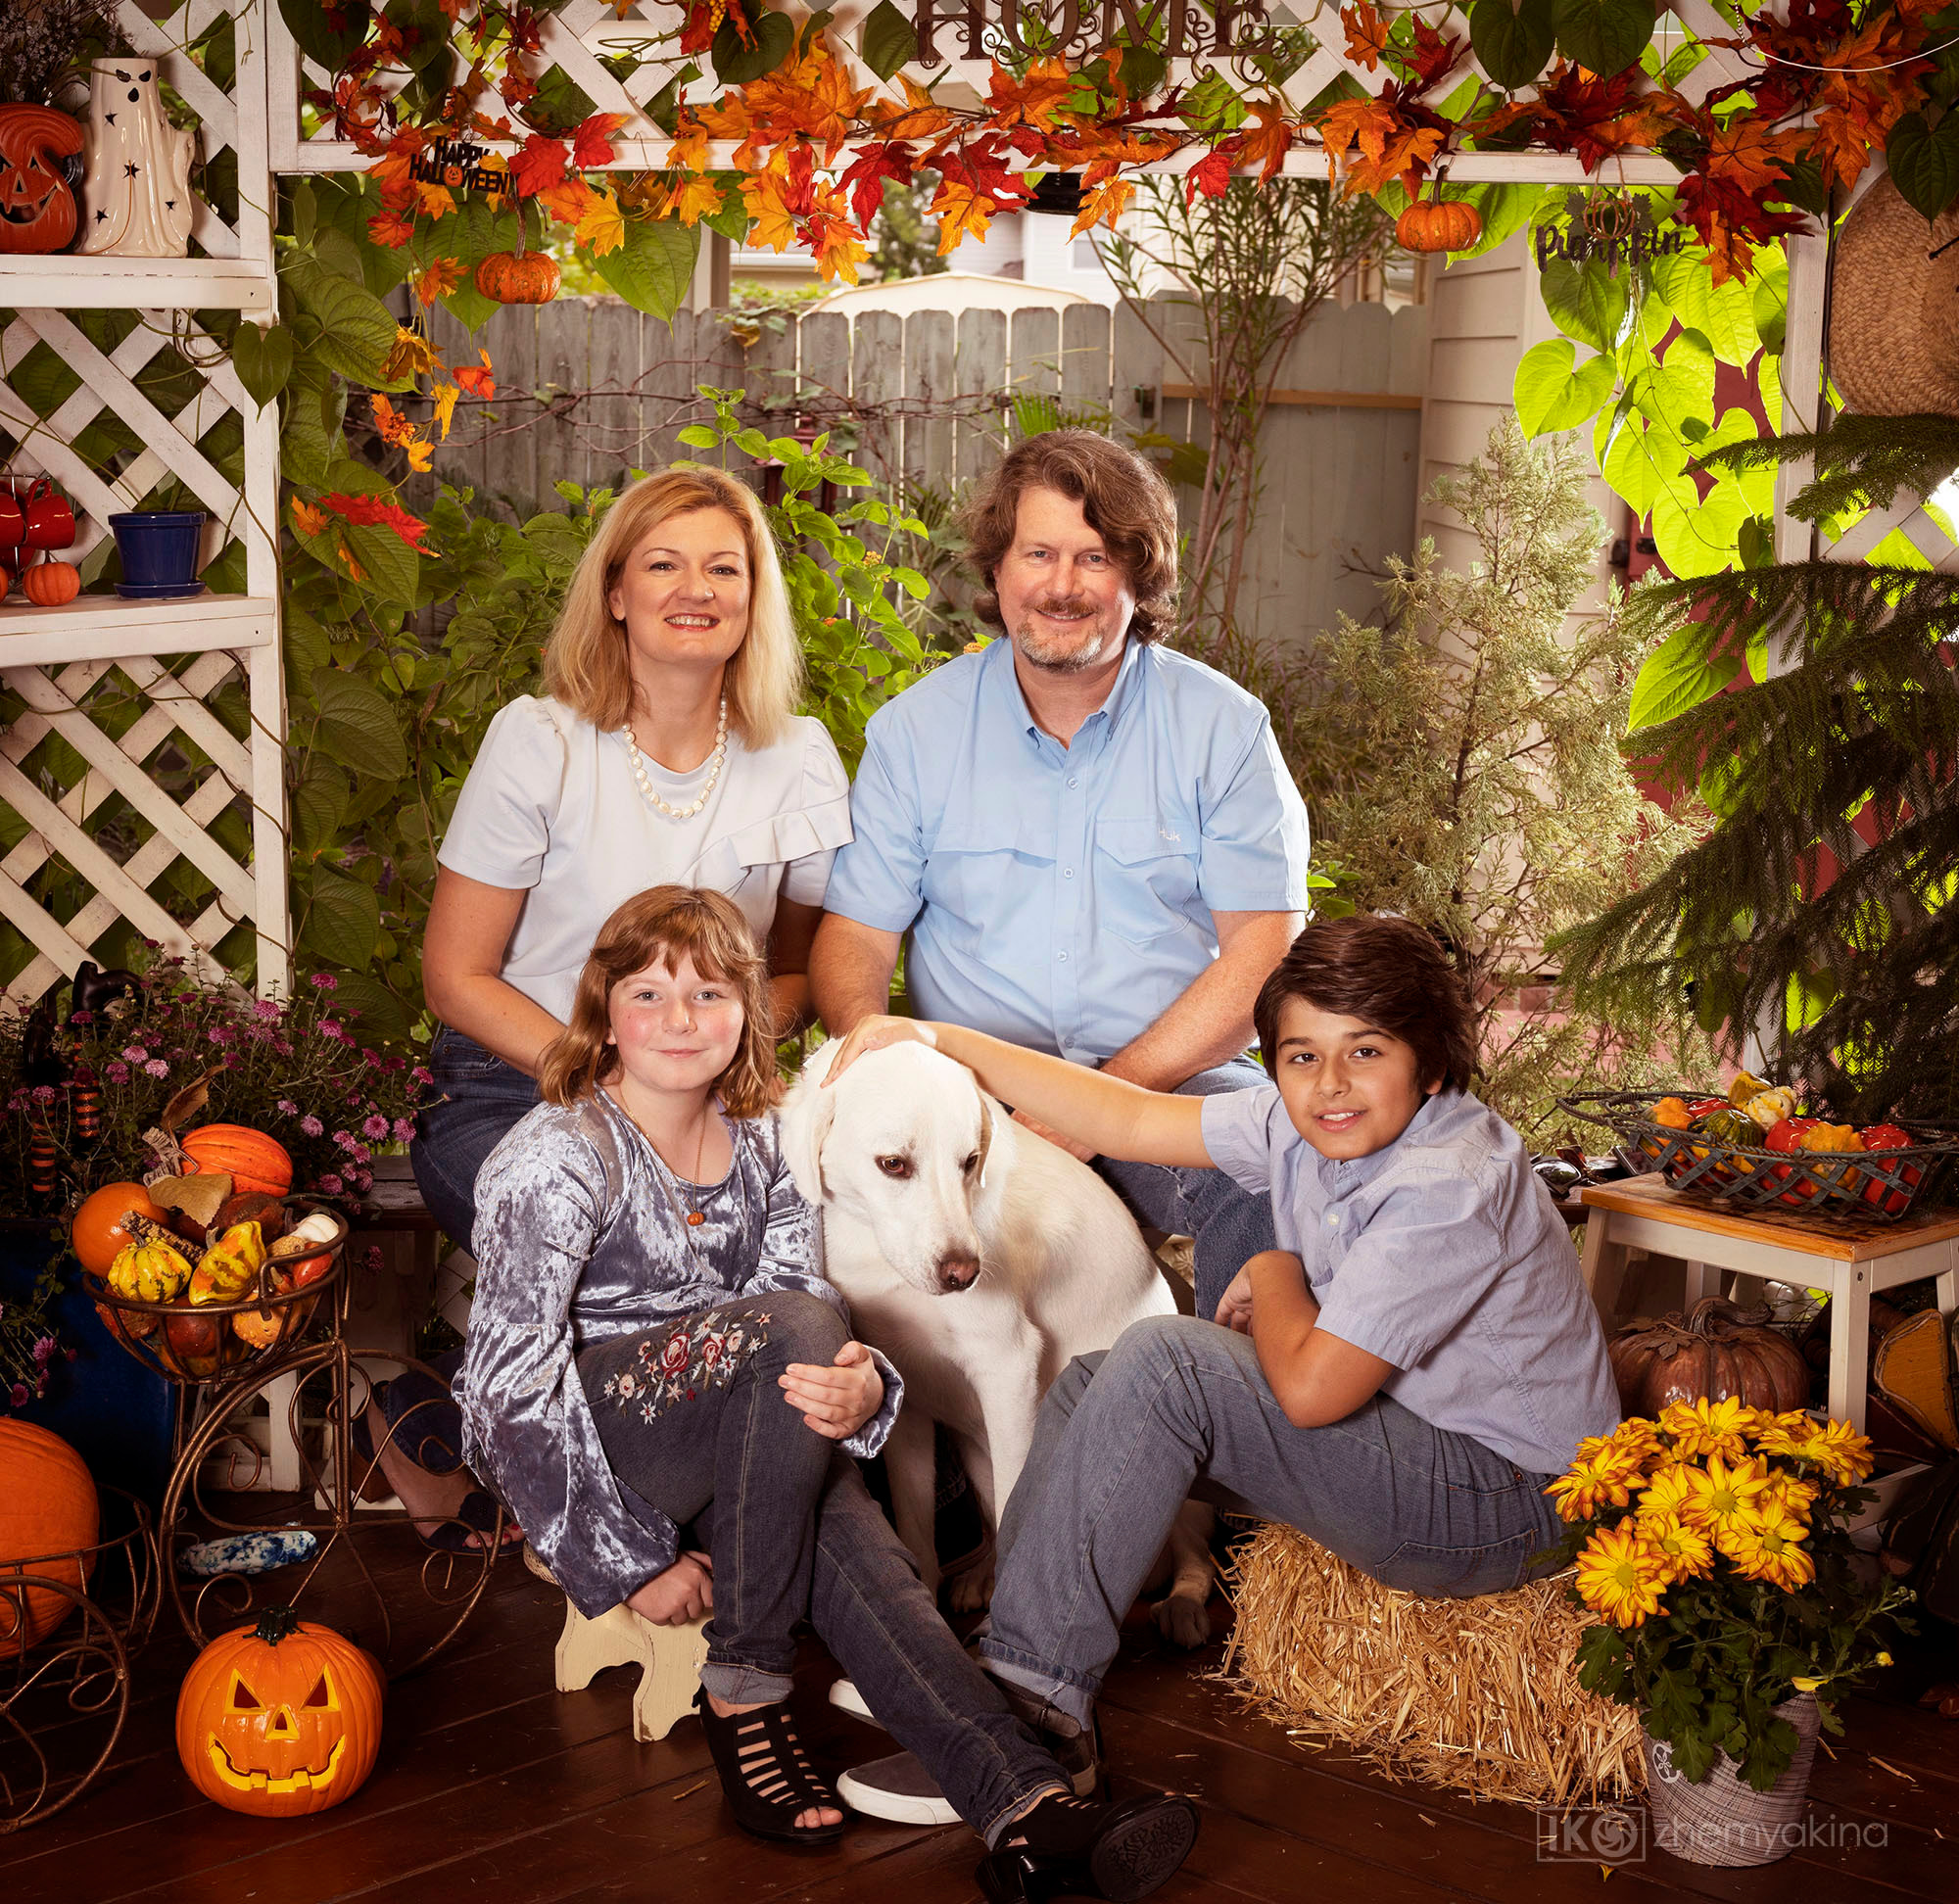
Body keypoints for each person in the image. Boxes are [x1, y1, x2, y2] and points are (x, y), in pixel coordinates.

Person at [455, 884, 1199, 1896]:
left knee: (851, 1517)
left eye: (710, 992)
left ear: (746, 1013)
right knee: (805, 1335)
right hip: (601, 1438)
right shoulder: (551, 1159)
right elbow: (503, 1388)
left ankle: (1029, 1810)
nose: (681, 1019)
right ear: (603, 1008)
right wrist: (623, 1561)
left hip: (743, 1438)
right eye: (648, 991)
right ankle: (747, 1686)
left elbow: (813, 1309)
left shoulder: (767, 1146)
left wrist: (864, 1392)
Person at [828, 913, 1619, 1786]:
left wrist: (1277, 1272)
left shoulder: (1448, 1182)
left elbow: (1314, 1393)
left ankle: (1034, 1728)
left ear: (1429, 1063)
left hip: (1508, 1503)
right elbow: (1124, 1118)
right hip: (1414, 1443)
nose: (1330, 1083)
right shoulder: (1307, 1122)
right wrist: (932, 1035)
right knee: (1093, 1381)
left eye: (1367, 1051)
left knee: (1170, 1360)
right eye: (1301, 1055)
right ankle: (1006, 1661)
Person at [383, 465, 850, 1551]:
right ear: (616, 595)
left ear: (752, 599)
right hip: (518, 1080)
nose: (696, 587)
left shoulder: (798, 757)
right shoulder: (538, 739)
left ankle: (476, 1437)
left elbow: (797, 971)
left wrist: (693, 1061)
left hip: (706, 1087)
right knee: (633, 1261)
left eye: (723, 567)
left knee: (793, 1260)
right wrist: (612, 1069)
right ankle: (613, 1527)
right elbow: (455, 975)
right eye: (664, 563)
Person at [809, 429, 1314, 1322]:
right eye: (1037, 553)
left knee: (1270, 1169)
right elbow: (853, 938)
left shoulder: (1222, 730)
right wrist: (880, 1064)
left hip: (1165, 1082)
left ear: (1138, 577)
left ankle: (1244, 1424)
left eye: (1094, 557)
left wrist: (1102, 1104)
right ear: (998, 570)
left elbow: (1264, 956)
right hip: (970, 1090)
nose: (1062, 586)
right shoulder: (913, 735)